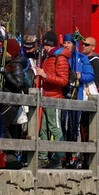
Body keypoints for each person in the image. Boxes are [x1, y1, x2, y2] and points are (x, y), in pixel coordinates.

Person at [35, 31, 69, 168]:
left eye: (44, 45)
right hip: (45, 96)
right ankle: (43, 157)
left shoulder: (59, 58)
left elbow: (63, 81)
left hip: (54, 98)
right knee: (42, 129)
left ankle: (59, 158)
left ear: (48, 45)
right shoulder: (48, 57)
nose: (43, 47)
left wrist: (45, 76)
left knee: (55, 128)